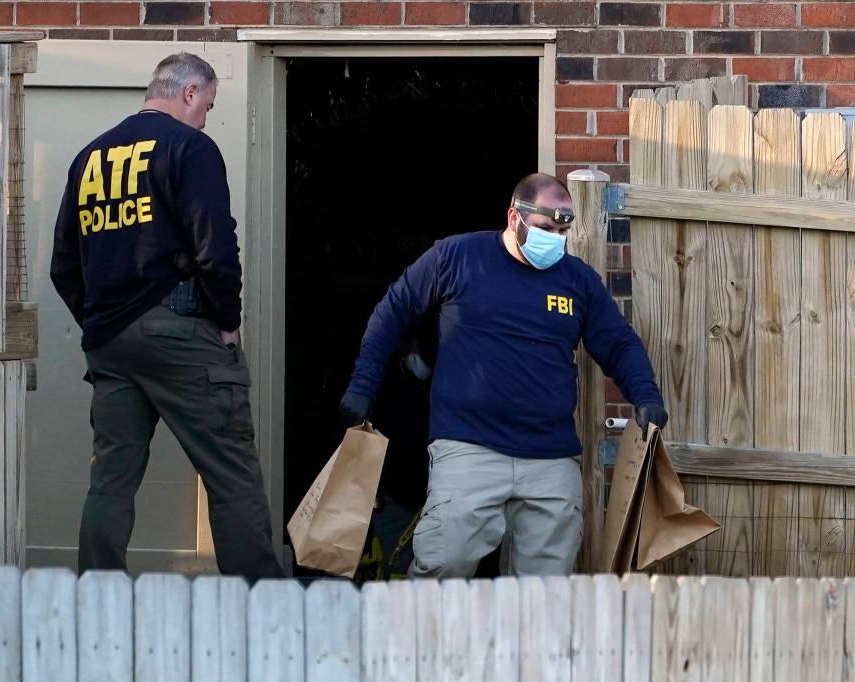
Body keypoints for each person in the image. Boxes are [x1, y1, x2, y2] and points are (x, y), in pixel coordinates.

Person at [339, 173, 668, 578]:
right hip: (469, 445)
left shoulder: (577, 280)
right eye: (546, 228)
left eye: (563, 230)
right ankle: (416, 642)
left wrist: (645, 395)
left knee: (543, 590)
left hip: (549, 456)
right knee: (445, 563)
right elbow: (392, 313)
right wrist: (362, 386)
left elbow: (619, 343)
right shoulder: (456, 257)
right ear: (515, 217)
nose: (556, 239)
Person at [51, 53, 284, 579]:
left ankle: (96, 604)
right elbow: (215, 248)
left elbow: (64, 264)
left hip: (111, 342)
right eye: (209, 105)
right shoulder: (190, 148)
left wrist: (102, 319)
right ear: (189, 92)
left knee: (111, 481)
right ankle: (266, 613)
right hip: (181, 332)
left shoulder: (90, 158)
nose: (207, 116)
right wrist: (227, 319)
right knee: (231, 474)